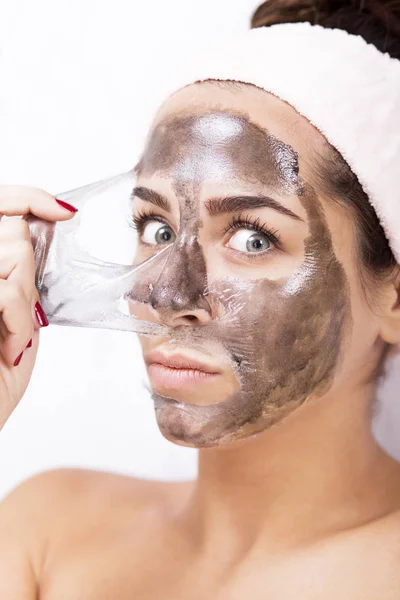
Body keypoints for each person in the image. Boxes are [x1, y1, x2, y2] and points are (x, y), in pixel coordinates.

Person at [1, 0, 400, 597]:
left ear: (394, 299)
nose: (165, 292)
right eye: (156, 229)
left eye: (252, 237)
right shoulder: (45, 530)